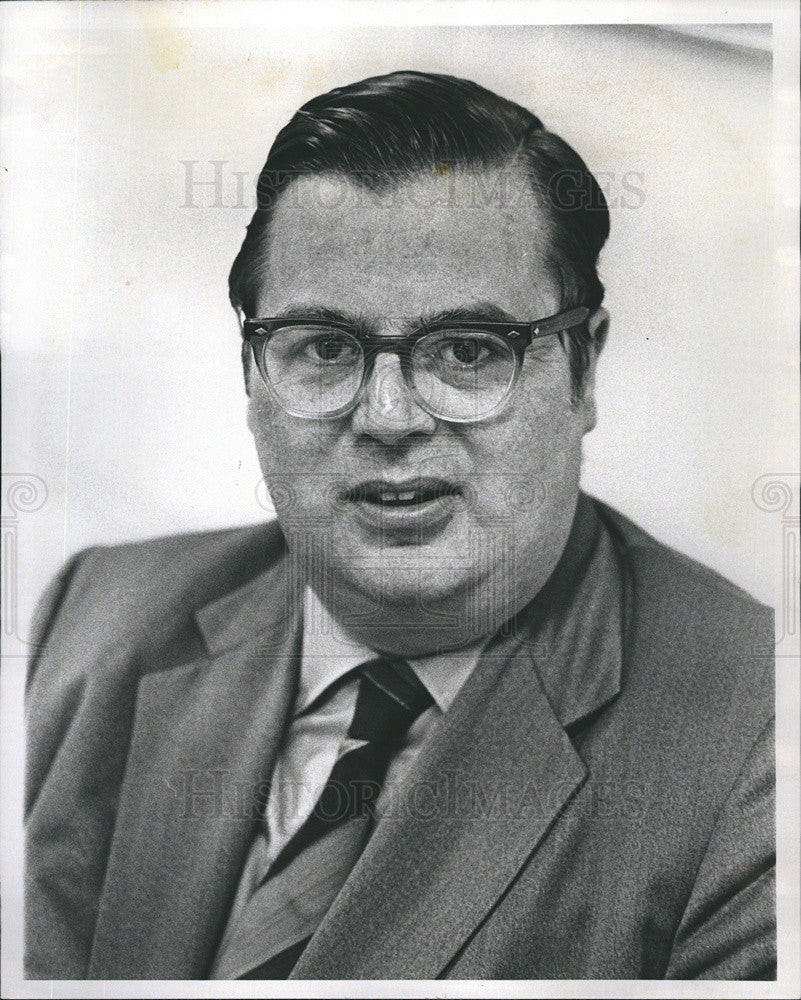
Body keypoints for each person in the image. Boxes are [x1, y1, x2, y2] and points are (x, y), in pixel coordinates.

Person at [25, 71, 775, 981]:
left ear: (583, 374)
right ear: (251, 375)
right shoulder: (92, 619)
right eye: (325, 347)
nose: (387, 417)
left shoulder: (759, 742)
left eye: (467, 351)